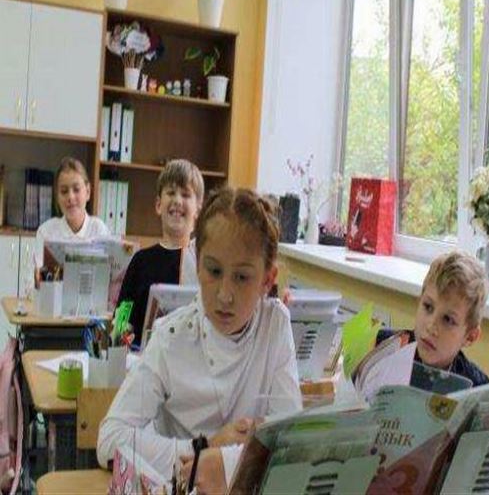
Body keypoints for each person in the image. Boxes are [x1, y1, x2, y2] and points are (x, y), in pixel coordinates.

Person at [97, 187, 302, 493]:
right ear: (197, 263)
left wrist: (225, 462)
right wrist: (206, 447)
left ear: (267, 280)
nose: (224, 295)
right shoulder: (171, 337)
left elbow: (292, 445)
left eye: (242, 277)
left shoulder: (275, 325)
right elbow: (110, 439)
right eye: (214, 271)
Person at [116, 159, 204, 346]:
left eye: (186, 194)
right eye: (171, 193)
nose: (177, 200)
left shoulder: (204, 263)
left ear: (198, 209)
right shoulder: (140, 261)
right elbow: (121, 317)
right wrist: (121, 332)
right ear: (158, 204)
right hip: (143, 357)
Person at [375, 250, 489, 386]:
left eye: (448, 319)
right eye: (428, 307)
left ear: (470, 336)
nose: (431, 327)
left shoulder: (476, 386)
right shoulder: (381, 347)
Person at [34, 157, 110, 271]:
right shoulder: (46, 232)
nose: (70, 197)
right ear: (57, 197)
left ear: (88, 192)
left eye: (76, 189)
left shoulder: (100, 230)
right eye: (64, 191)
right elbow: (37, 277)